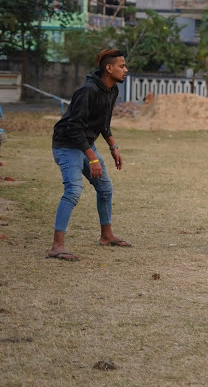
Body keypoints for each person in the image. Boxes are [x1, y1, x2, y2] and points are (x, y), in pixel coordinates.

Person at [46, 49, 131, 261]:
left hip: (85, 145)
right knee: (73, 190)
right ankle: (57, 245)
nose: (126, 70)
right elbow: (74, 127)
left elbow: (102, 122)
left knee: (105, 188)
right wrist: (92, 157)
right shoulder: (87, 91)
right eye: (122, 66)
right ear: (109, 68)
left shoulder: (111, 91)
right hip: (67, 144)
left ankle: (106, 235)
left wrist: (113, 146)